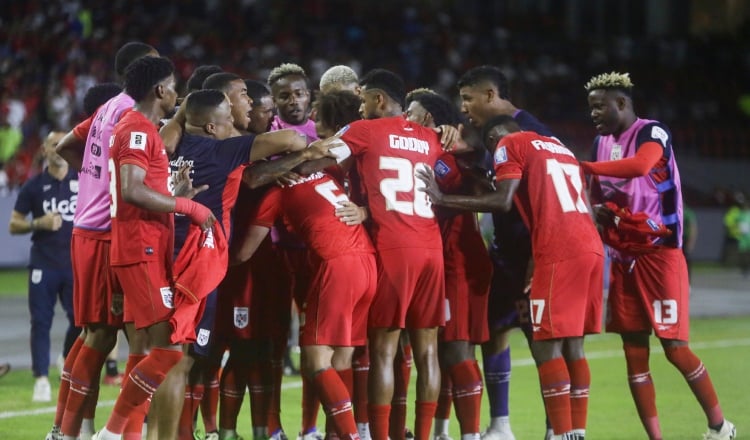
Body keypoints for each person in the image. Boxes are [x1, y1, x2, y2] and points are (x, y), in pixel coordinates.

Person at [418, 115, 604, 440]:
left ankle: (560, 433)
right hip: (589, 247)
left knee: (546, 343)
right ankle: (575, 431)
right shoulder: (560, 148)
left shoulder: (507, 144)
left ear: (494, 140)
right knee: (572, 342)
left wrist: (442, 198)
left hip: (556, 250)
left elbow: (502, 200)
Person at [581, 71, 735, 440]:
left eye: (600, 106)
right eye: (590, 108)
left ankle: (720, 427)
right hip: (621, 259)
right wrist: (595, 209)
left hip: (660, 255)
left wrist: (585, 167)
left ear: (621, 103)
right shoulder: (599, 143)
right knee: (634, 356)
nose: (594, 114)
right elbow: (589, 193)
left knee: (675, 349)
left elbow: (640, 166)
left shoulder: (652, 132)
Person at [92, 55, 215, 440]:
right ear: (160, 90)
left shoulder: (137, 128)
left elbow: (140, 187)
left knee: (153, 349)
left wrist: (172, 193)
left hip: (145, 249)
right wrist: (187, 206)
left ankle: (121, 433)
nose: (177, 94)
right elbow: (130, 190)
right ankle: (111, 433)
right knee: (168, 351)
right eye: (174, 87)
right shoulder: (139, 131)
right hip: (140, 250)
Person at [334, 68, 457, 440]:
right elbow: (450, 173)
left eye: (362, 100)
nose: (358, 108)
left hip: (393, 248)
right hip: (432, 249)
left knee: (384, 353)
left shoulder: (363, 131)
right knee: (428, 352)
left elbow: (324, 156)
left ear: (378, 99)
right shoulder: (429, 138)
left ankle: (382, 436)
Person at [52, 41, 159, 440]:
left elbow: (65, 146)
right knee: (121, 335)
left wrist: (95, 180)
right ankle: (118, 432)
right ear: (144, 74)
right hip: (106, 232)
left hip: (88, 229)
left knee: (95, 334)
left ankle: (67, 431)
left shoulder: (105, 109)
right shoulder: (130, 112)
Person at [456, 65, 556, 440]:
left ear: (490, 96)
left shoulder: (529, 130)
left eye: (468, 99)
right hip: (504, 250)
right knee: (494, 330)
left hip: (531, 250)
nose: (464, 107)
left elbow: (542, 192)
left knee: (540, 337)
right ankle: (500, 425)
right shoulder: (492, 136)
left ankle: (555, 428)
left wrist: (537, 253)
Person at [404, 89, 490, 440]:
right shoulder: (431, 151)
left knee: (457, 349)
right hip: (441, 261)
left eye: (411, 113)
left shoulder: (443, 157)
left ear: (427, 120)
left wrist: (461, 143)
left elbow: (476, 185)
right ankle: (440, 432)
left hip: (458, 261)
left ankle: (469, 435)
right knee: (439, 351)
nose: (404, 118)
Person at [9, 130, 80, 403]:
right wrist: (37, 223)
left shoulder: (82, 182)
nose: (60, 149)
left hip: (75, 264)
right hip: (44, 264)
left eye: (64, 144)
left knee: (81, 320)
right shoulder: (34, 186)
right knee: (40, 322)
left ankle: (65, 357)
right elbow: (13, 224)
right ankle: (40, 378)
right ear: (44, 150)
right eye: (54, 144)